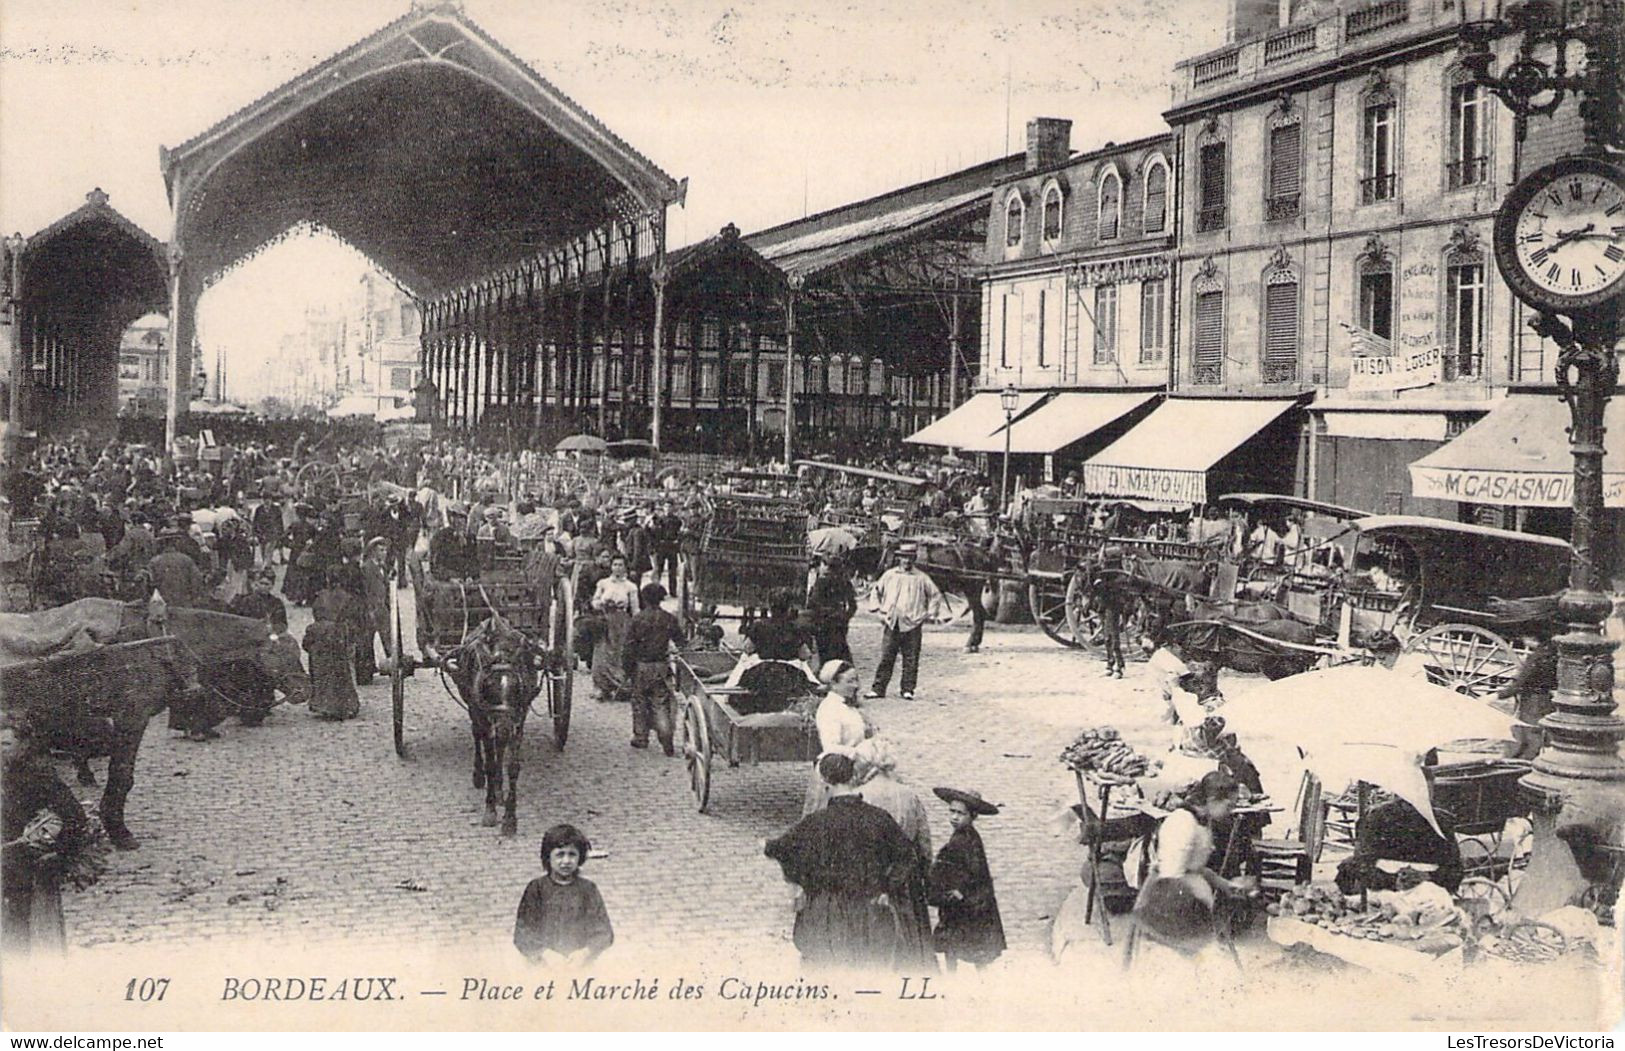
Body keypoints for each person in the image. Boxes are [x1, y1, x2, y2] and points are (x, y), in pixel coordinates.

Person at [764, 753, 917, 971]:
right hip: (869, 914)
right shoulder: (879, 818)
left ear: (825, 781)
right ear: (853, 777)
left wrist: (766, 846)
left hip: (827, 915)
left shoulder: (816, 823)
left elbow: (783, 848)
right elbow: (907, 856)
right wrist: (888, 888)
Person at [1128, 771, 1257, 963]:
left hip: (1192, 898)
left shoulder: (1202, 821)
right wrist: (1195, 917)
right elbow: (1171, 879)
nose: (1231, 811)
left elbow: (1197, 868)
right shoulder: (1182, 824)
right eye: (1228, 805)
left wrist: (1226, 885)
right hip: (1173, 904)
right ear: (1212, 799)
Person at [2, 712, 91, 955]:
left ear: (24, 746)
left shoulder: (39, 776)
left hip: (23, 870)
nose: (0, 751)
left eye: (5, 744)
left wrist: (59, 853)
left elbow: (75, 817)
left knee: (27, 937)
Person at [854, 737, 935, 970]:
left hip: (869, 880)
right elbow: (924, 843)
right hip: (905, 880)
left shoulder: (860, 796)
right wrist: (926, 875)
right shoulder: (909, 795)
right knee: (911, 945)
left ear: (868, 764)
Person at [927, 787, 1007, 971]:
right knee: (957, 946)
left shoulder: (968, 840)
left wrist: (960, 892)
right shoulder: (960, 837)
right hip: (961, 902)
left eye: (960, 813)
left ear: (972, 816)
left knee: (971, 946)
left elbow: (976, 872)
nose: (954, 817)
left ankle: (972, 983)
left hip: (969, 903)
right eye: (952, 812)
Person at [513, 823, 614, 967]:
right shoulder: (536, 889)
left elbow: (604, 932)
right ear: (548, 857)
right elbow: (523, 933)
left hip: (580, 964)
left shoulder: (588, 889)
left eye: (572, 854)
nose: (566, 861)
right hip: (544, 964)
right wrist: (544, 953)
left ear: (580, 858)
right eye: (560, 855)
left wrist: (585, 952)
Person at [866, 542, 945, 701]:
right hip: (892, 622)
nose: (906, 562)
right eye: (904, 558)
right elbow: (876, 591)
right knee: (886, 656)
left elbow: (935, 595)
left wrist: (929, 613)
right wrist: (878, 609)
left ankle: (907, 689)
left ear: (914, 559)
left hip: (913, 623)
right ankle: (878, 688)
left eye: (910, 558)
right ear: (899, 558)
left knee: (911, 658)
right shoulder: (890, 575)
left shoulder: (921, 578)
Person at [804, 659, 875, 813]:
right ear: (834, 684)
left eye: (856, 680)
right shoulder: (830, 709)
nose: (856, 685)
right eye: (849, 681)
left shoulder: (848, 705)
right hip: (838, 773)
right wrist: (861, 753)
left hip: (857, 767)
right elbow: (831, 746)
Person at [622, 582, 684, 754]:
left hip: (641, 666)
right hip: (661, 666)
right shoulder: (669, 619)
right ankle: (665, 735)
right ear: (662, 598)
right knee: (660, 702)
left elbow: (628, 647)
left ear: (644, 599)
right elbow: (681, 641)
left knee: (639, 701)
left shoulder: (637, 619)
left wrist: (627, 670)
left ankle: (640, 737)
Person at [1497, 631, 1559, 760]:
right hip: (1545, 699)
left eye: (1526, 638)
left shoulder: (1537, 657)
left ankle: (1522, 763)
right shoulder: (1552, 654)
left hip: (1532, 700)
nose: (1524, 641)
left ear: (1533, 639)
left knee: (1529, 732)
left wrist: (1498, 695)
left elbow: (1521, 683)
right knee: (1532, 732)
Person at [590, 554, 640, 703]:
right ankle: (601, 687)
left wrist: (636, 626)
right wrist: (601, 605)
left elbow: (635, 608)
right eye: (615, 565)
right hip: (605, 621)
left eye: (620, 565)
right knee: (602, 653)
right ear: (611, 567)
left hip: (622, 622)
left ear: (625, 567)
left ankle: (620, 687)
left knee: (620, 654)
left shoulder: (630, 586)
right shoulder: (603, 583)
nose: (617, 568)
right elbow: (595, 601)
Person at [304, 596, 360, 721]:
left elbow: (306, 644)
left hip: (319, 663)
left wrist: (314, 652)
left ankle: (324, 707)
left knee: (322, 685)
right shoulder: (339, 628)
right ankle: (345, 706)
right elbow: (347, 644)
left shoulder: (312, 628)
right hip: (338, 662)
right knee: (341, 683)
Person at [807, 555, 857, 667]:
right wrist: (845, 617)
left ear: (827, 567)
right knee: (842, 653)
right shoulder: (845, 583)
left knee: (825, 657)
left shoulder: (821, 582)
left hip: (824, 624)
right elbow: (853, 606)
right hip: (839, 623)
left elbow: (812, 604)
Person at [148, 532, 209, 609]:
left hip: (162, 605)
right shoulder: (186, 559)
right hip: (184, 603)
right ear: (175, 543)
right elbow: (196, 581)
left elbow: (150, 584)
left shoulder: (155, 561)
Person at [428, 505, 479, 581]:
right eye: (455, 517)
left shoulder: (470, 538)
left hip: (466, 579)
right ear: (451, 519)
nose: (459, 521)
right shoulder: (441, 537)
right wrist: (450, 578)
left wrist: (471, 576)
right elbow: (435, 565)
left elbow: (474, 560)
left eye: (462, 518)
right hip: (446, 579)